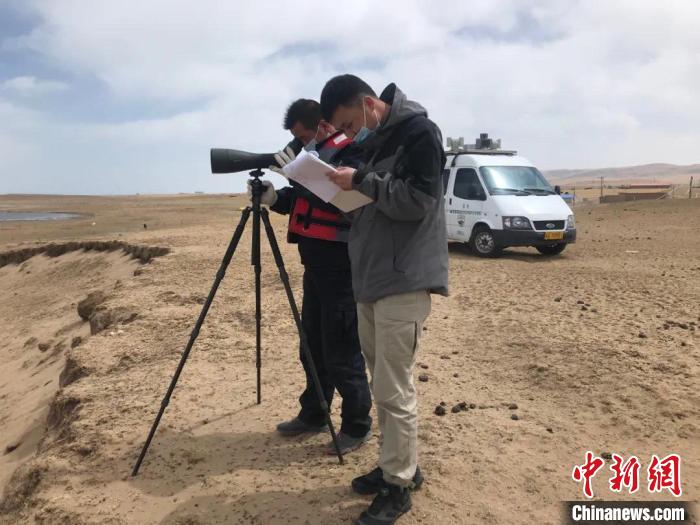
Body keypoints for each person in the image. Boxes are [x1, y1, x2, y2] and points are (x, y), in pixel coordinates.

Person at [320, 76, 448, 525]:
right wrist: (344, 191)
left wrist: (361, 181)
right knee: (383, 386)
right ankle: (397, 463)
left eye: (349, 124)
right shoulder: (377, 143)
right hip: (372, 279)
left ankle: (398, 484)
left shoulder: (419, 133)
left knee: (394, 388)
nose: (349, 134)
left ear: (369, 104)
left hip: (404, 279)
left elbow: (418, 201)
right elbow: (375, 201)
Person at [247, 98, 372, 455]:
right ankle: (314, 413)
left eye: (303, 137)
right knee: (312, 347)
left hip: (341, 270)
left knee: (341, 352)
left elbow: (338, 199)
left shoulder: (352, 153)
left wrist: (296, 176)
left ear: (323, 126)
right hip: (315, 269)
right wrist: (274, 198)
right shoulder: (314, 158)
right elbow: (303, 201)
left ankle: (356, 426)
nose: (300, 144)